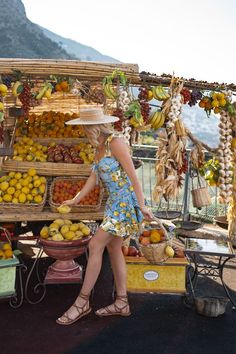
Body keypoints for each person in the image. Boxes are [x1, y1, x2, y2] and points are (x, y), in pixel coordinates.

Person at [56, 107, 154, 325]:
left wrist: (142, 205)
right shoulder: (99, 148)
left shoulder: (115, 142)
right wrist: (75, 200)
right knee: (113, 248)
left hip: (125, 205)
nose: (82, 130)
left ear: (93, 127)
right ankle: (122, 301)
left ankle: (81, 303)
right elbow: (93, 178)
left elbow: (133, 178)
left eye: (84, 126)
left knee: (95, 245)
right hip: (113, 206)